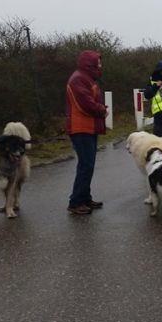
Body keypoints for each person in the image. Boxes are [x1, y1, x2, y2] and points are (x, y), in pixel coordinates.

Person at [65, 50, 108, 215]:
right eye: (98, 62)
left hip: (89, 128)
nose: (100, 65)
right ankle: (75, 202)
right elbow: (85, 103)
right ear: (90, 64)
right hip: (80, 128)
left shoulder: (87, 78)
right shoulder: (78, 79)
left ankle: (85, 198)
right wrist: (102, 110)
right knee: (85, 165)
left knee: (88, 165)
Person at [144, 60, 162, 138]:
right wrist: (156, 86)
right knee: (159, 140)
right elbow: (147, 95)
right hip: (159, 115)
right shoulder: (152, 81)